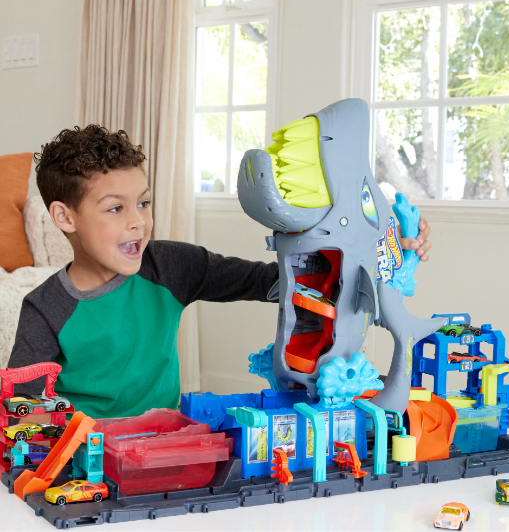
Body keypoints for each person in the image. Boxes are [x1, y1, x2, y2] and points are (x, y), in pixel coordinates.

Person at [8, 126, 432, 419]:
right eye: (116, 208)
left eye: (144, 203)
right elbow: (19, 413)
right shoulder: (46, 308)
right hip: (86, 455)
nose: (138, 221)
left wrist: (383, 252)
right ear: (65, 217)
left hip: (164, 443)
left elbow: (273, 281)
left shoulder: (170, 266)